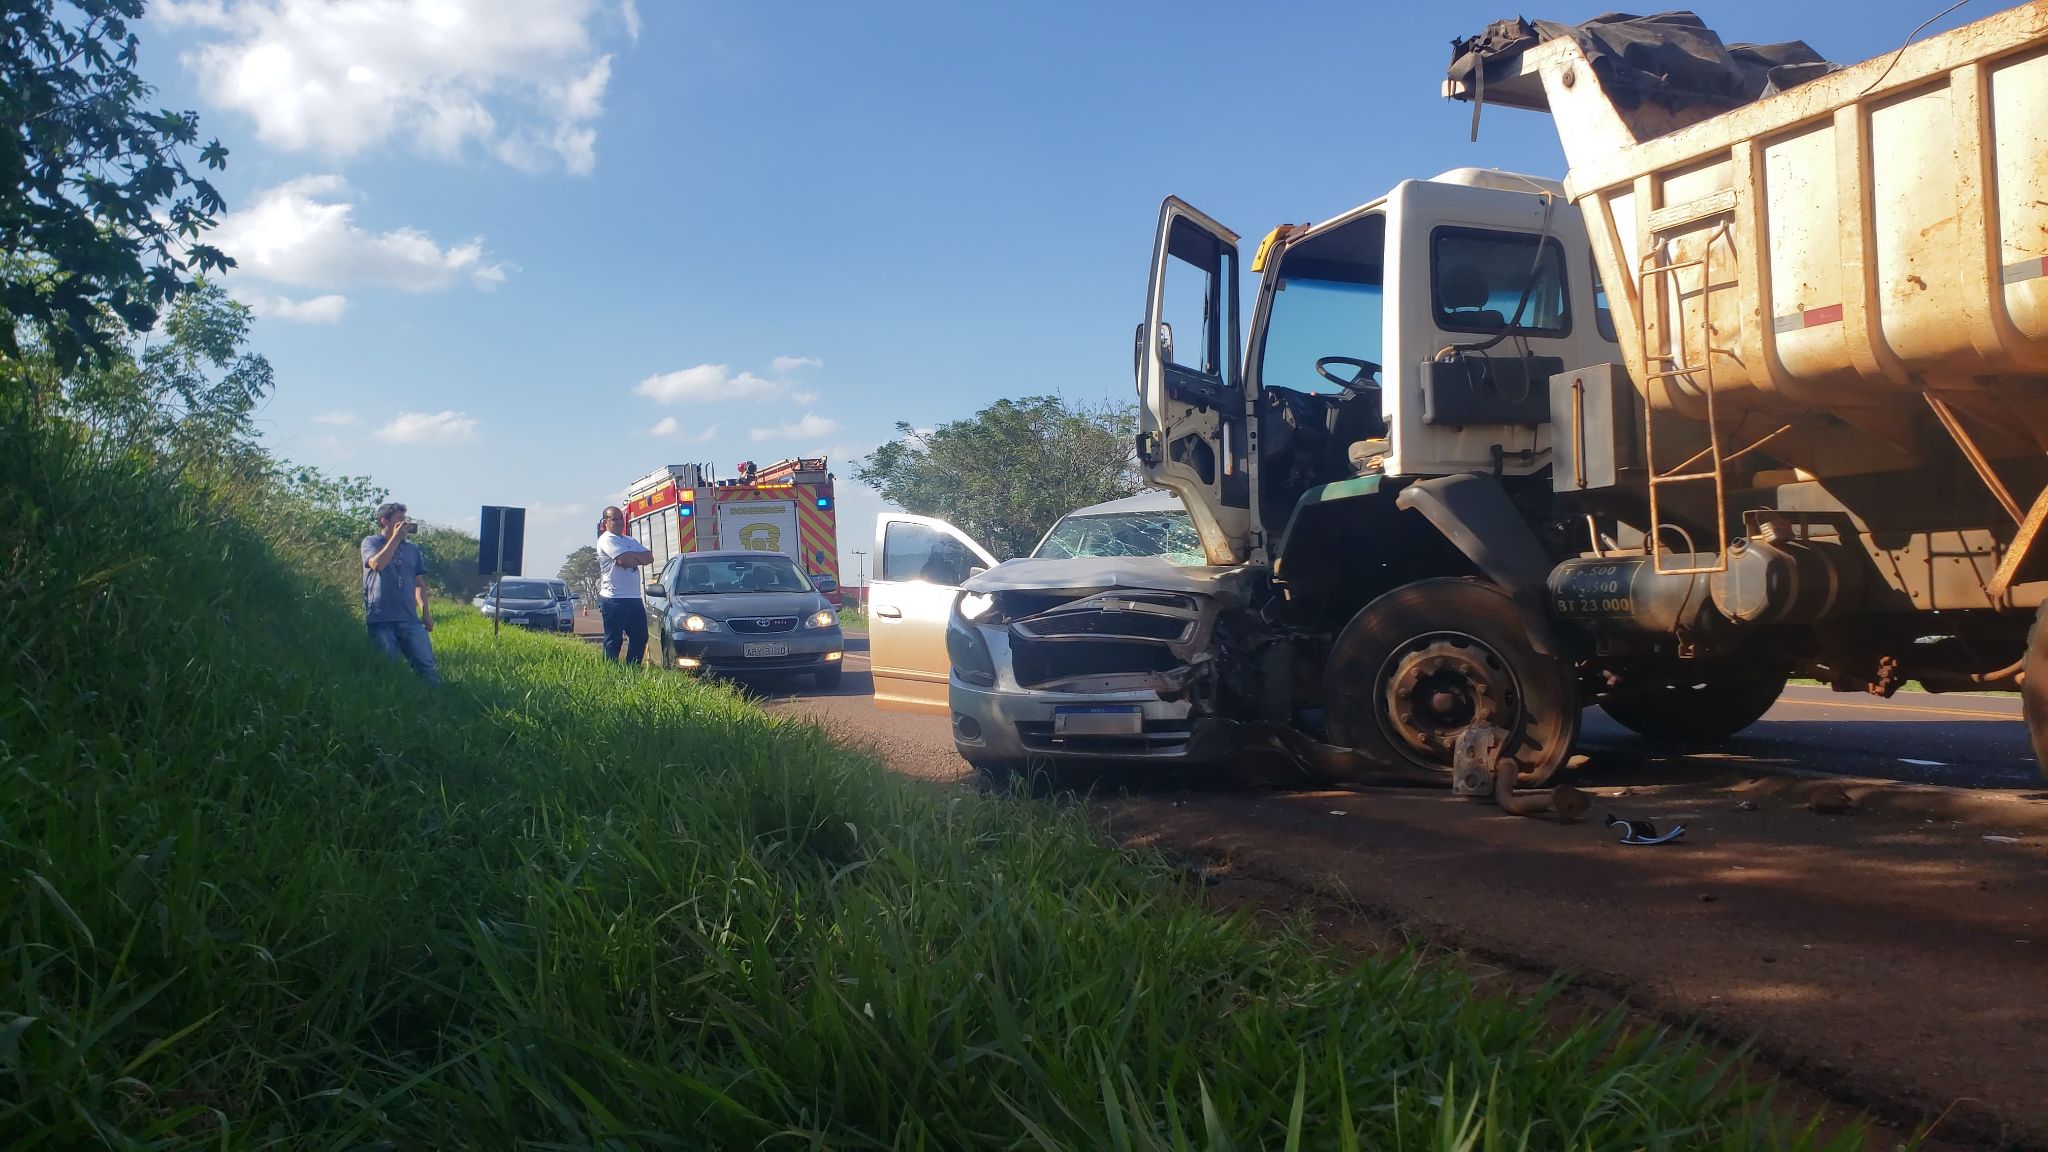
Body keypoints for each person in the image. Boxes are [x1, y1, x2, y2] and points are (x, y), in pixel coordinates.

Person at [361, 501, 438, 684]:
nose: (404, 524)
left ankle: (435, 705)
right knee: (388, 668)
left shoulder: (412, 549)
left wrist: (426, 613)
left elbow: (419, 584)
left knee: (427, 667)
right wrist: (395, 538)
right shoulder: (371, 542)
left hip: (409, 618)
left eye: (406, 520)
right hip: (381, 618)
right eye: (399, 520)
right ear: (384, 521)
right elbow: (377, 564)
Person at [596, 506, 654, 663]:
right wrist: (635, 558)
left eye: (621, 518)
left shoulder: (629, 540)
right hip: (614, 599)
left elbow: (649, 557)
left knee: (640, 637)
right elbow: (624, 561)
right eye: (614, 519)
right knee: (613, 640)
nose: (619, 522)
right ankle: (610, 673)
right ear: (605, 522)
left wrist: (631, 556)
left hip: (633, 598)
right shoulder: (606, 539)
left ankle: (632, 671)